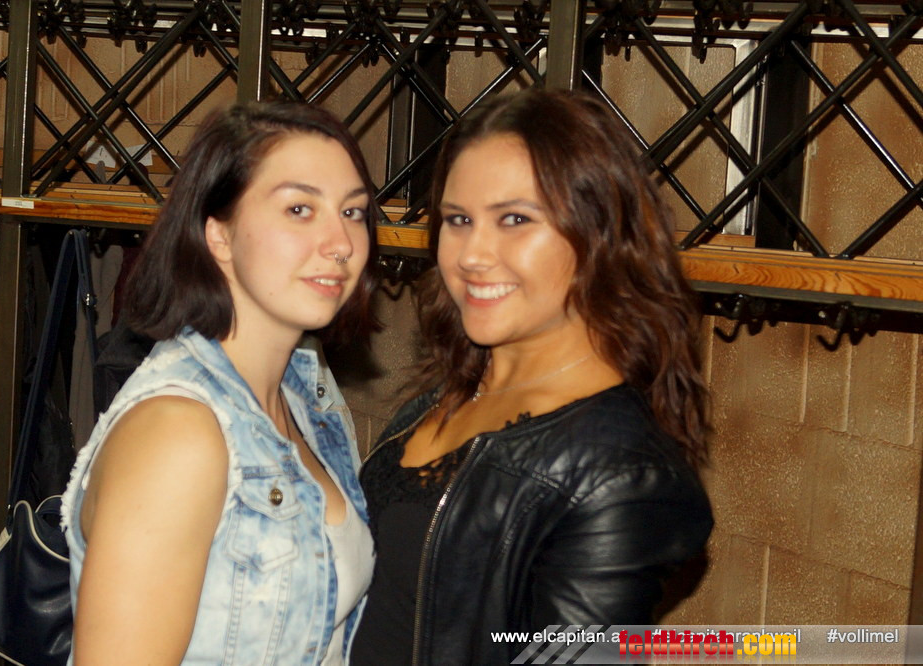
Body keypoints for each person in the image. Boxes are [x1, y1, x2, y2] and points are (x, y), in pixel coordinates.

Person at [350, 88, 714, 665]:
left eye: (515, 220)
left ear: (598, 233)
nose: (472, 254)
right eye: (458, 220)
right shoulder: (448, 394)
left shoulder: (620, 471)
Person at [61, 101, 378, 665]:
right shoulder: (178, 432)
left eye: (352, 212)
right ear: (219, 235)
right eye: (300, 209)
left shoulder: (303, 397)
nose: (341, 242)